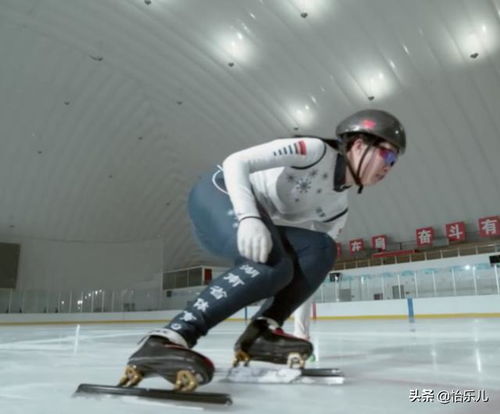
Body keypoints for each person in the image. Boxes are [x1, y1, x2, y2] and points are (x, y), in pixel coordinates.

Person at [118, 109, 407, 391]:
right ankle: (166, 338)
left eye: (395, 162)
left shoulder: (337, 208)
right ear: (358, 145)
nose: (389, 167)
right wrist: (249, 217)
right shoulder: (314, 151)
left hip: (255, 219)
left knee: (322, 249)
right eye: (388, 155)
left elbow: (309, 272)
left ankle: (262, 333)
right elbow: (236, 162)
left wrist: (299, 331)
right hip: (219, 194)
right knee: (273, 264)